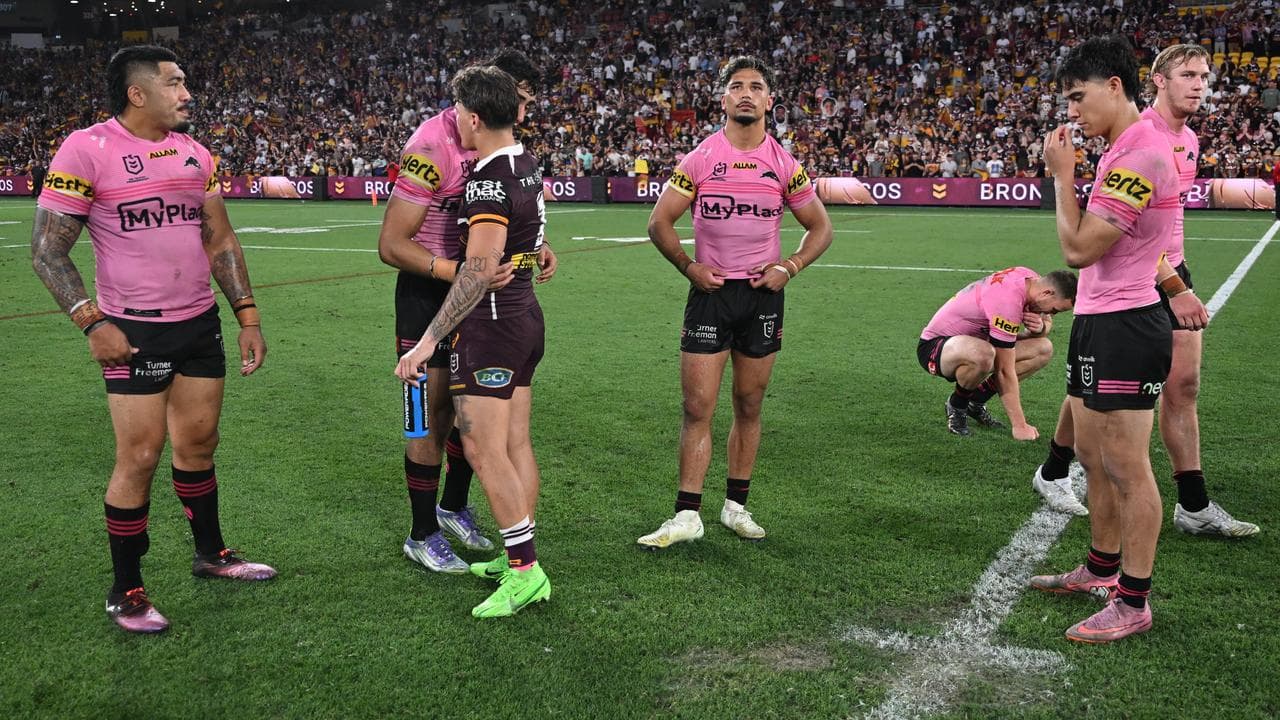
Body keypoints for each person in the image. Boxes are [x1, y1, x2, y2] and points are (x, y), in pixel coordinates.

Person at [29, 45, 275, 635]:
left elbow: (219, 239)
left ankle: (212, 554)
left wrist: (246, 314)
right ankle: (127, 590)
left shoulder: (195, 153)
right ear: (137, 93)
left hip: (199, 325)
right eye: (175, 83)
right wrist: (92, 321)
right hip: (132, 330)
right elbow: (46, 250)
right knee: (138, 457)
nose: (188, 93)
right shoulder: (87, 149)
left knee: (199, 447)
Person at [1031, 44, 1259, 536]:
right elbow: (1121, 239)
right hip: (1149, 279)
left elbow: (1158, 225)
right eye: (1187, 75)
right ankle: (1059, 474)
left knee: (1181, 386)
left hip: (1167, 270)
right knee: (1104, 391)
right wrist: (1173, 285)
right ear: (1156, 80)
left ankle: (1191, 505)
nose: (1198, 84)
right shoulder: (1139, 137)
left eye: (1204, 75)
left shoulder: (1188, 140)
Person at [1029, 36, 1201, 644]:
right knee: (1091, 459)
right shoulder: (1123, 149)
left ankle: (1133, 599)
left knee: (1127, 467)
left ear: (1115, 87)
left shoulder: (1138, 156)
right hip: (1100, 319)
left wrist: (1062, 177)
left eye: (1079, 97)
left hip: (1127, 325)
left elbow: (1077, 249)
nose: (1072, 112)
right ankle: (1100, 569)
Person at [637, 56, 833, 549]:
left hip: (762, 298)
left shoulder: (784, 163)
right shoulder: (701, 158)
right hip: (711, 295)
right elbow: (659, 223)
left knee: (749, 403)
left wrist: (789, 267)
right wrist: (688, 267)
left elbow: (820, 227)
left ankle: (736, 507)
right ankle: (687, 515)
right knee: (697, 406)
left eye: (756, 87)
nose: (746, 93)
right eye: (737, 86)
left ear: (770, 101)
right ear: (723, 99)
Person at [378, 50, 556, 574]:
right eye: (519, 98)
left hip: (483, 294)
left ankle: (454, 507)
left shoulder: (496, 145)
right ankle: (422, 531)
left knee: (471, 415)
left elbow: (506, 214)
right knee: (429, 420)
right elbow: (391, 244)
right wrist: (459, 272)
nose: (522, 110)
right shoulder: (432, 146)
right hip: (430, 292)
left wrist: (534, 245)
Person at [918, 267, 1077, 439]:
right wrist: (1019, 426)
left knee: (1043, 349)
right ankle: (957, 405)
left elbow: (1045, 322)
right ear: (1047, 293)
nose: (1050, 313)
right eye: (1054, 310)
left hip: (975, 342)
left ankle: (975, 401)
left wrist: (1041, 328)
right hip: (935, 347)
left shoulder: (1032, 281)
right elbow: (1004, 370)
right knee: (985, 354)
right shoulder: (1008, 301)